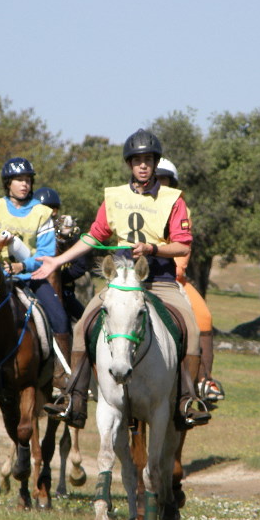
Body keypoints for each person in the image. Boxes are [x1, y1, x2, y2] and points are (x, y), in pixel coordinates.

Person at [35, 129, 211, 429]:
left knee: (192, 331)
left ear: (155, 163)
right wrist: (58, 260)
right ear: (130, 164)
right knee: (82, 328)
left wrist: (152, 248)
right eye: (137, 160)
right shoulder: (115, 196)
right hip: (122, 281)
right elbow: (94, 235)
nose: (143, 165)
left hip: (160, 279)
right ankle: (74, 397)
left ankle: (186, 400)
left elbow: (182, 244)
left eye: (148, 160)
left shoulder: (173, 199)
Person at [0, 158, 72, 377]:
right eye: (18, 180)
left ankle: (62, 378)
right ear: (8, 184)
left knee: (59, 317)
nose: (24, 184)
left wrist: (22, 265)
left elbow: (46, 254)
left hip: (32, 277)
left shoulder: (42, 212)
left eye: (27, 180)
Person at [155, 157, 224, 403]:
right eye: (157, 179)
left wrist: (176, 271)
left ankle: (204, 379)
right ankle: (84, 379)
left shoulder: (181, 208)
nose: (161, 184)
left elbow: (182, 249)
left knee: (203, 316)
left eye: (165, 180)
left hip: (174, 277)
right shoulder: (136, 204)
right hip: (138, 274)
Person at [34, 186, 89, 323]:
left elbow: (81, 265)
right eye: (46, 208)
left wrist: (58, 278)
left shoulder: (65, 236)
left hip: (64, 292)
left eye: (54, 209)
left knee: (86, 322)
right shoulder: (30, 233)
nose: (52, 213)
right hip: (33, 288)